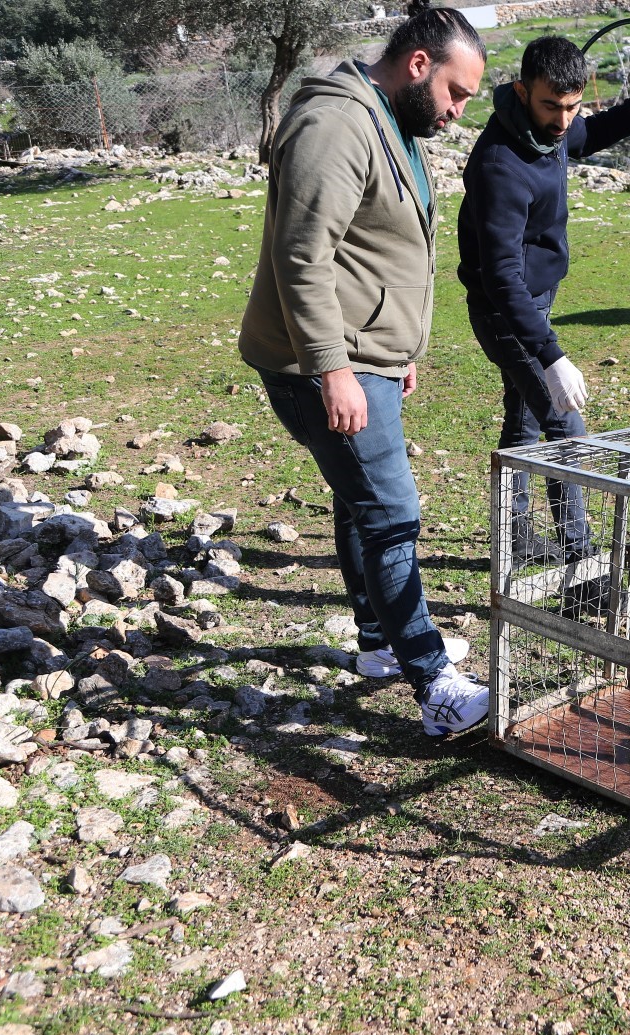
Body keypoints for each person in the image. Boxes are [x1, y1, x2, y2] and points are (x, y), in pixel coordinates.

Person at [238, 2, 491, 736]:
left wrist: (395, 352)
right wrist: (335, 369)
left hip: (365, 357)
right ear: (419, 66)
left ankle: (379, 645)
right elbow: (302, 256)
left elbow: (377, 246)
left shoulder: (392, 123)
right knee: (391, 513)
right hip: (321, 362)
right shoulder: (337, 125)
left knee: (359, 501)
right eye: (455, 93)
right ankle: (435, 686)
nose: (457, 112)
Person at [457, 36, 630, 576]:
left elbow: (587, 134)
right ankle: (580, 558)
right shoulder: (499, 164)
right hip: (505, 310)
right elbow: (503, 278)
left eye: (571, 105)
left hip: (534, 300)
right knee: (564, 424)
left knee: (524, 427)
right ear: (521, 91)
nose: (562, 120)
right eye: (550, 106)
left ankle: (512, 538)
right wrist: (552, 355)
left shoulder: (550, 131)